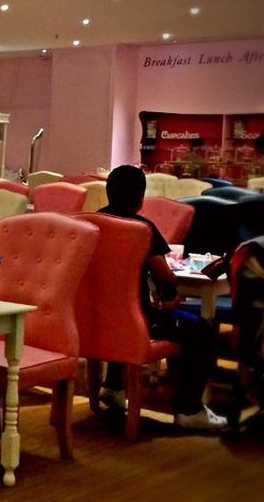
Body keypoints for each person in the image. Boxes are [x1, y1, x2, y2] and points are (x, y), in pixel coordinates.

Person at [97, 165, 226, 431]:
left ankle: (112, 385)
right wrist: (171, 296)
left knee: (121, 309)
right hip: (141, 322)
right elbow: (165, 278)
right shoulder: (142, 229)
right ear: (140, 198)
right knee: (202, 328)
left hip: (97, 319)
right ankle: (190, 408)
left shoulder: (92, 221)